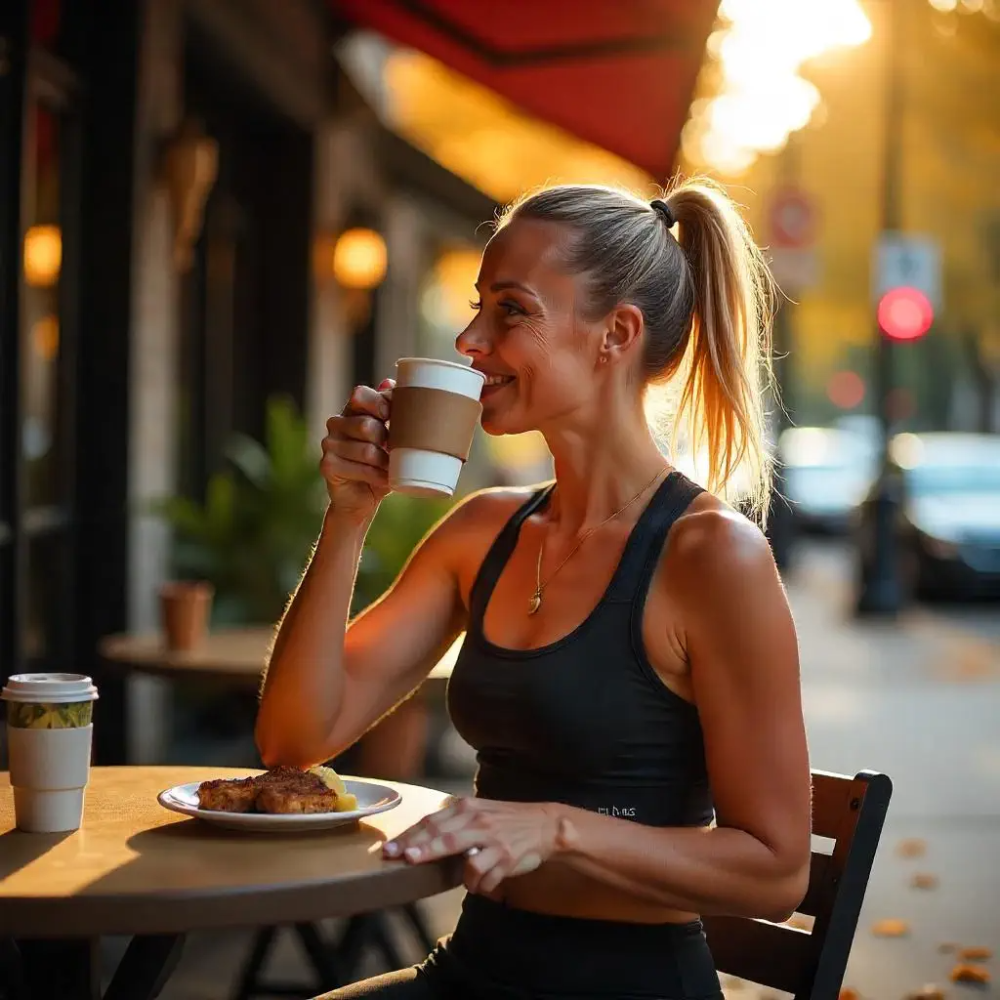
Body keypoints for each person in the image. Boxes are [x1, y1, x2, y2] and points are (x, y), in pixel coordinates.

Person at [256, 181, 812, 999]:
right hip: (474, 971)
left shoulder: (711, 557)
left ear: (614, 335)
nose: (469, 338)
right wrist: (348, 517)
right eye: (479, 306)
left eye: (510, 311)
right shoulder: (484, 533)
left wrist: (555, 826)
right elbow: (294, 739)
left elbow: (776, 871)